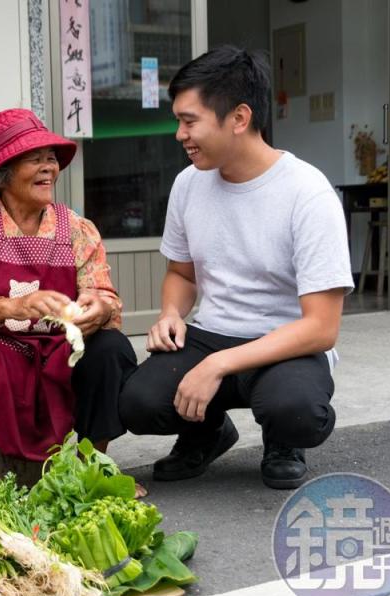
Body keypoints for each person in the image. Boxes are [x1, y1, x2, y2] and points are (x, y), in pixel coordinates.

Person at [118, 45, 354, 490]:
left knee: (297, 409)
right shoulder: (188, 184)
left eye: (189, 121)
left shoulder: (307, 193)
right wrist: (171, 313)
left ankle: (284, 440)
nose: (179, 134)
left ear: (239, 118)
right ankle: (207, 431)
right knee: (138, 402)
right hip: (212, 333)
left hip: (287, 342)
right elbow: (182, 275)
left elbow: (322, 328)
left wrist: (219, 365)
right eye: (178, 121)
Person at [0, 108, 141, 490]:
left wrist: (100, 308)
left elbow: (104, 294)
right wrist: (8, 307)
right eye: (34, 159)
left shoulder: (77, 228)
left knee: (112, 348)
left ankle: (91, 468)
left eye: (51, 159)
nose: (49, 168)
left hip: (62, 354)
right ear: (2, 174)